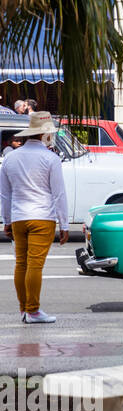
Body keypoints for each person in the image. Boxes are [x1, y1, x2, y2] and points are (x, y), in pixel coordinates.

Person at [0, 112, 69, 324]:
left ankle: (24, 309)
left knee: (21, 263)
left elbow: (5, 194)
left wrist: (7, 221)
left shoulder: (10, 157)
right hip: (42, 217)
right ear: (45, 134)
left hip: (19, 217)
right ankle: (33, 310)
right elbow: (58, 193)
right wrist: (64, 224)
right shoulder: (50, 158)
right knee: (35, 265)